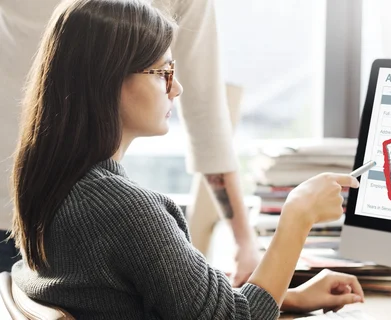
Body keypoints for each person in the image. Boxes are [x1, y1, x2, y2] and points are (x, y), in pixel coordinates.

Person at [8, 0, 365, 318]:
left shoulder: (53, 186)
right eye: (162, 73)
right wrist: (298, 214)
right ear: (108, 80)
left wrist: (287, 297)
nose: (176, 88)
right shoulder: (124, 210)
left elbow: (172, 299)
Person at [0, 0, 260, 285]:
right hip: (43, 215)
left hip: (33, 202)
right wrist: (258, 235)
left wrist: (242, 241)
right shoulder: (133, 214)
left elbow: (206, 117)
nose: (175, 88)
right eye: (162, 73)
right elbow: (206, 115)